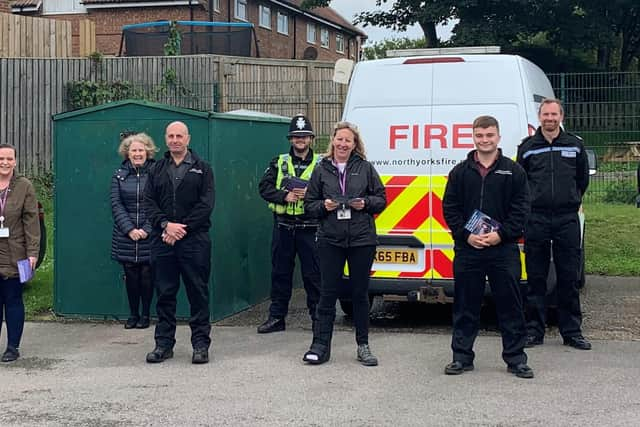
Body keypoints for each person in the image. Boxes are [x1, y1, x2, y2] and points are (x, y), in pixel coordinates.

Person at [442, 116, 533, 379]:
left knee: (510, 305)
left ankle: (516, 359)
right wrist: (466, 235)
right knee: (465, 305)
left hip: (502, 250)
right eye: (480, 135)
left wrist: (501, 235)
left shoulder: (513, 171)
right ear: (473, 137)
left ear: (498, 137)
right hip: (468, 249)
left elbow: (521, 209)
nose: (485, 140)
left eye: (489, 135)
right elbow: (450, 208)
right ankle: (461, 357)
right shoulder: (460, 172)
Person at [302, 121, 386, 366]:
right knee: (327, 294)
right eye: (339, 139)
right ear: (333, 141)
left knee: (360, 294)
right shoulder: (321, 169)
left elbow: (381, 199)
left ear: (354, 144)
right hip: (330, 239)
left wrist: (366, 204)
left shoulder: (366, 168)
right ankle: (320, 346)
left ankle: (363, 346)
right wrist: (324, 206)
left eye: (348, 140)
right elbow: (309, 205)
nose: (343, 144)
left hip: (362, 239)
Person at [517, 98, 592, 350]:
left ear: (561, 116)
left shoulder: (575, 145)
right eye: (545, 114)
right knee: (536, 277)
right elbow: (521, 182)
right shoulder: (527, 147)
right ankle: (533, 331)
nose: (549, 118)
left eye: (554, 114)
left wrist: (569, 200)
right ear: (539, 117)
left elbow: (582, 180)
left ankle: (571, 332)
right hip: (536, 218)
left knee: (568, 276)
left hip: (566, 218)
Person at [143, 121, 215, 364]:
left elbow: (206, 205)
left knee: (198, 293)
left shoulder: (202, 169)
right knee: (164, 293)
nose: (175, 140)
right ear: (165, 139)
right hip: (163, 241)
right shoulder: (156, 169)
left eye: (179, 136)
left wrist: (181, 229)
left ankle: (200, 345)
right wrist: (165, 225)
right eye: (171, 136)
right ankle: (163, 344)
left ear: (188, 139)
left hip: (194, 241)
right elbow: (148, 203)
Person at [256, 114, 322, 334]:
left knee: (313, 276)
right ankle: (276, 318)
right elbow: (264, 188)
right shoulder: (278, 162)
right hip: (283, 227)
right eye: (296, 136)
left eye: (304, 136)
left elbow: (330, 192)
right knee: (280, 274)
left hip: (310, 228)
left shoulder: (322, 164)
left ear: (311, 138)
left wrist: (309, 193)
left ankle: (318, 318)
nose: (300, 140)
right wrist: (283, 197)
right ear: (290, 139)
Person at [111, 132, 156, 329]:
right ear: (127, 153)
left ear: (147, 151)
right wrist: (130, 229)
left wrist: (146, 229)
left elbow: (159, 203)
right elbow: (116, 204)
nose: (137, 153)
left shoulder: (156, 173)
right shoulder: (119, 175)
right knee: (130, 275)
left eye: (141, 150)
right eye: (133, 150)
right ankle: (133, 314)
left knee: (147, 274)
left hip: (150, 233)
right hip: (125, 234)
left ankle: (146, 315)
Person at [0, 144, 40, 363]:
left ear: (15, 161)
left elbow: (31, 221)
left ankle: (12, 347)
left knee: (13, 299)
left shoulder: (24, 186)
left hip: (16, 253)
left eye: (9, 159)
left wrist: (33, 252)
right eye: (1, 158)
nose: (5, 163)